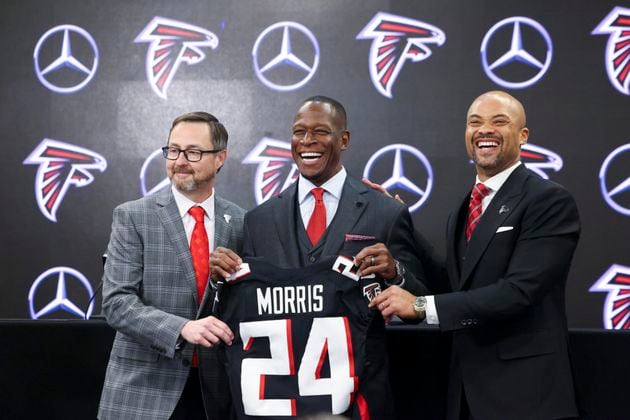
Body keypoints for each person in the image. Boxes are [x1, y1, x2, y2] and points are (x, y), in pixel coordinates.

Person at [213, 96, 429, 419]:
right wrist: (221, 281)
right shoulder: (258, 220)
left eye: (320, 131)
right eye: (299, 132)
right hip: (278, 403)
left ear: (344, 140)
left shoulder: (386, 212)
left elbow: (422, 304)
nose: (307, 141)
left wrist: (396, 272)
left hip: (358, 403)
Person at [369, 91, 580, 420]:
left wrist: (421, 307)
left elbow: (518, 292)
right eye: (475, 122)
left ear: (523, 136)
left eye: (500, 122)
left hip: (526, 397)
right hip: (466, 394)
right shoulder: (465, 206)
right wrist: (399, 221)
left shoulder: (548, 200)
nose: (485, 130)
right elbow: (455, 286)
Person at [98, 112, 245, 420]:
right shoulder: (132, 217)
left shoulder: (241, 222)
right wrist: (183, 329)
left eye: (193, 152)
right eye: (173, 150)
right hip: (144, 392)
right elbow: (116, 303)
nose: (180, 160)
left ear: (220, 158)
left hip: (217, 394)